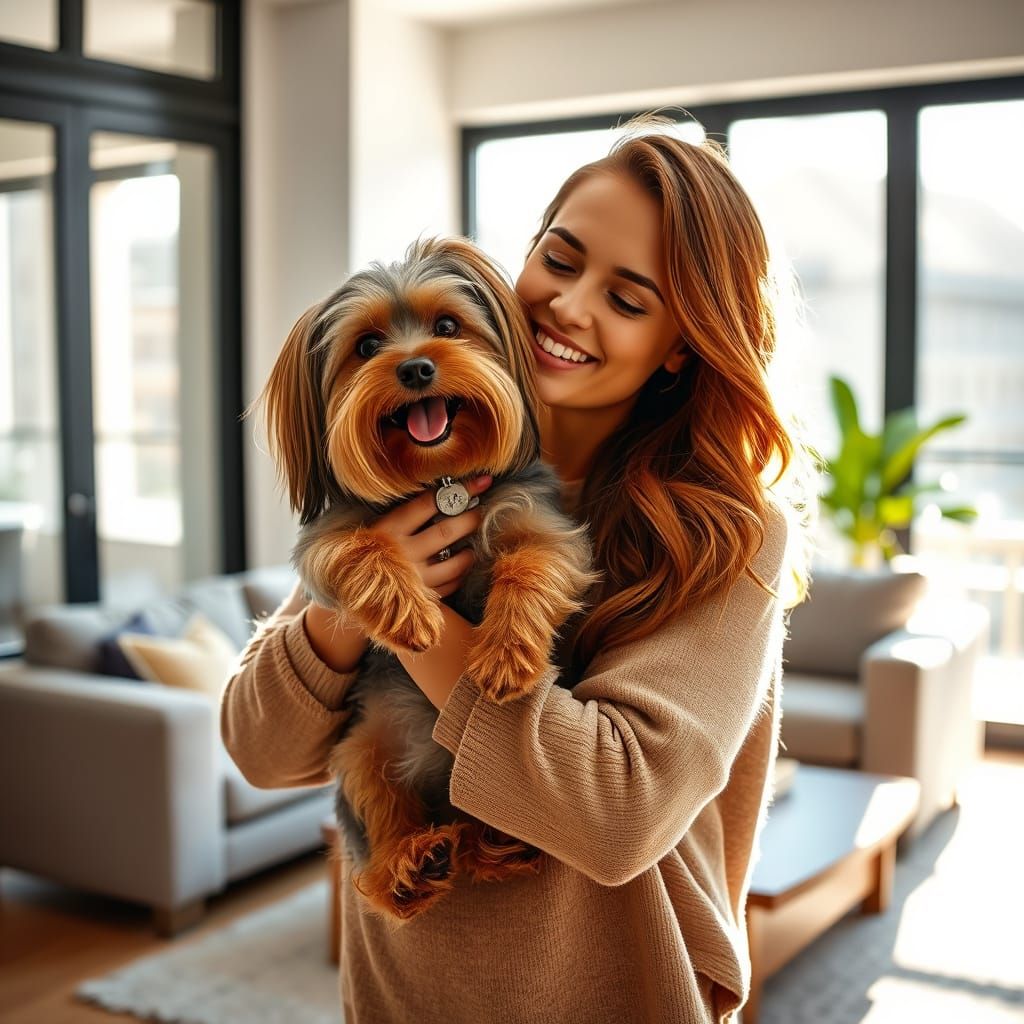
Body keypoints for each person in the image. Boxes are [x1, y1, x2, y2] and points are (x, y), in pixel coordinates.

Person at [221, 116, 816, 1024]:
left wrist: (413, 619)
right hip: (400, 1000)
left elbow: (617, 816)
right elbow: (260, 752)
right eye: (559, 259)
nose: (569, 307)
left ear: (682, 342)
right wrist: (347, 602)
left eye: (628, 300)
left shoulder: (727, 534)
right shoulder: (404, 468)